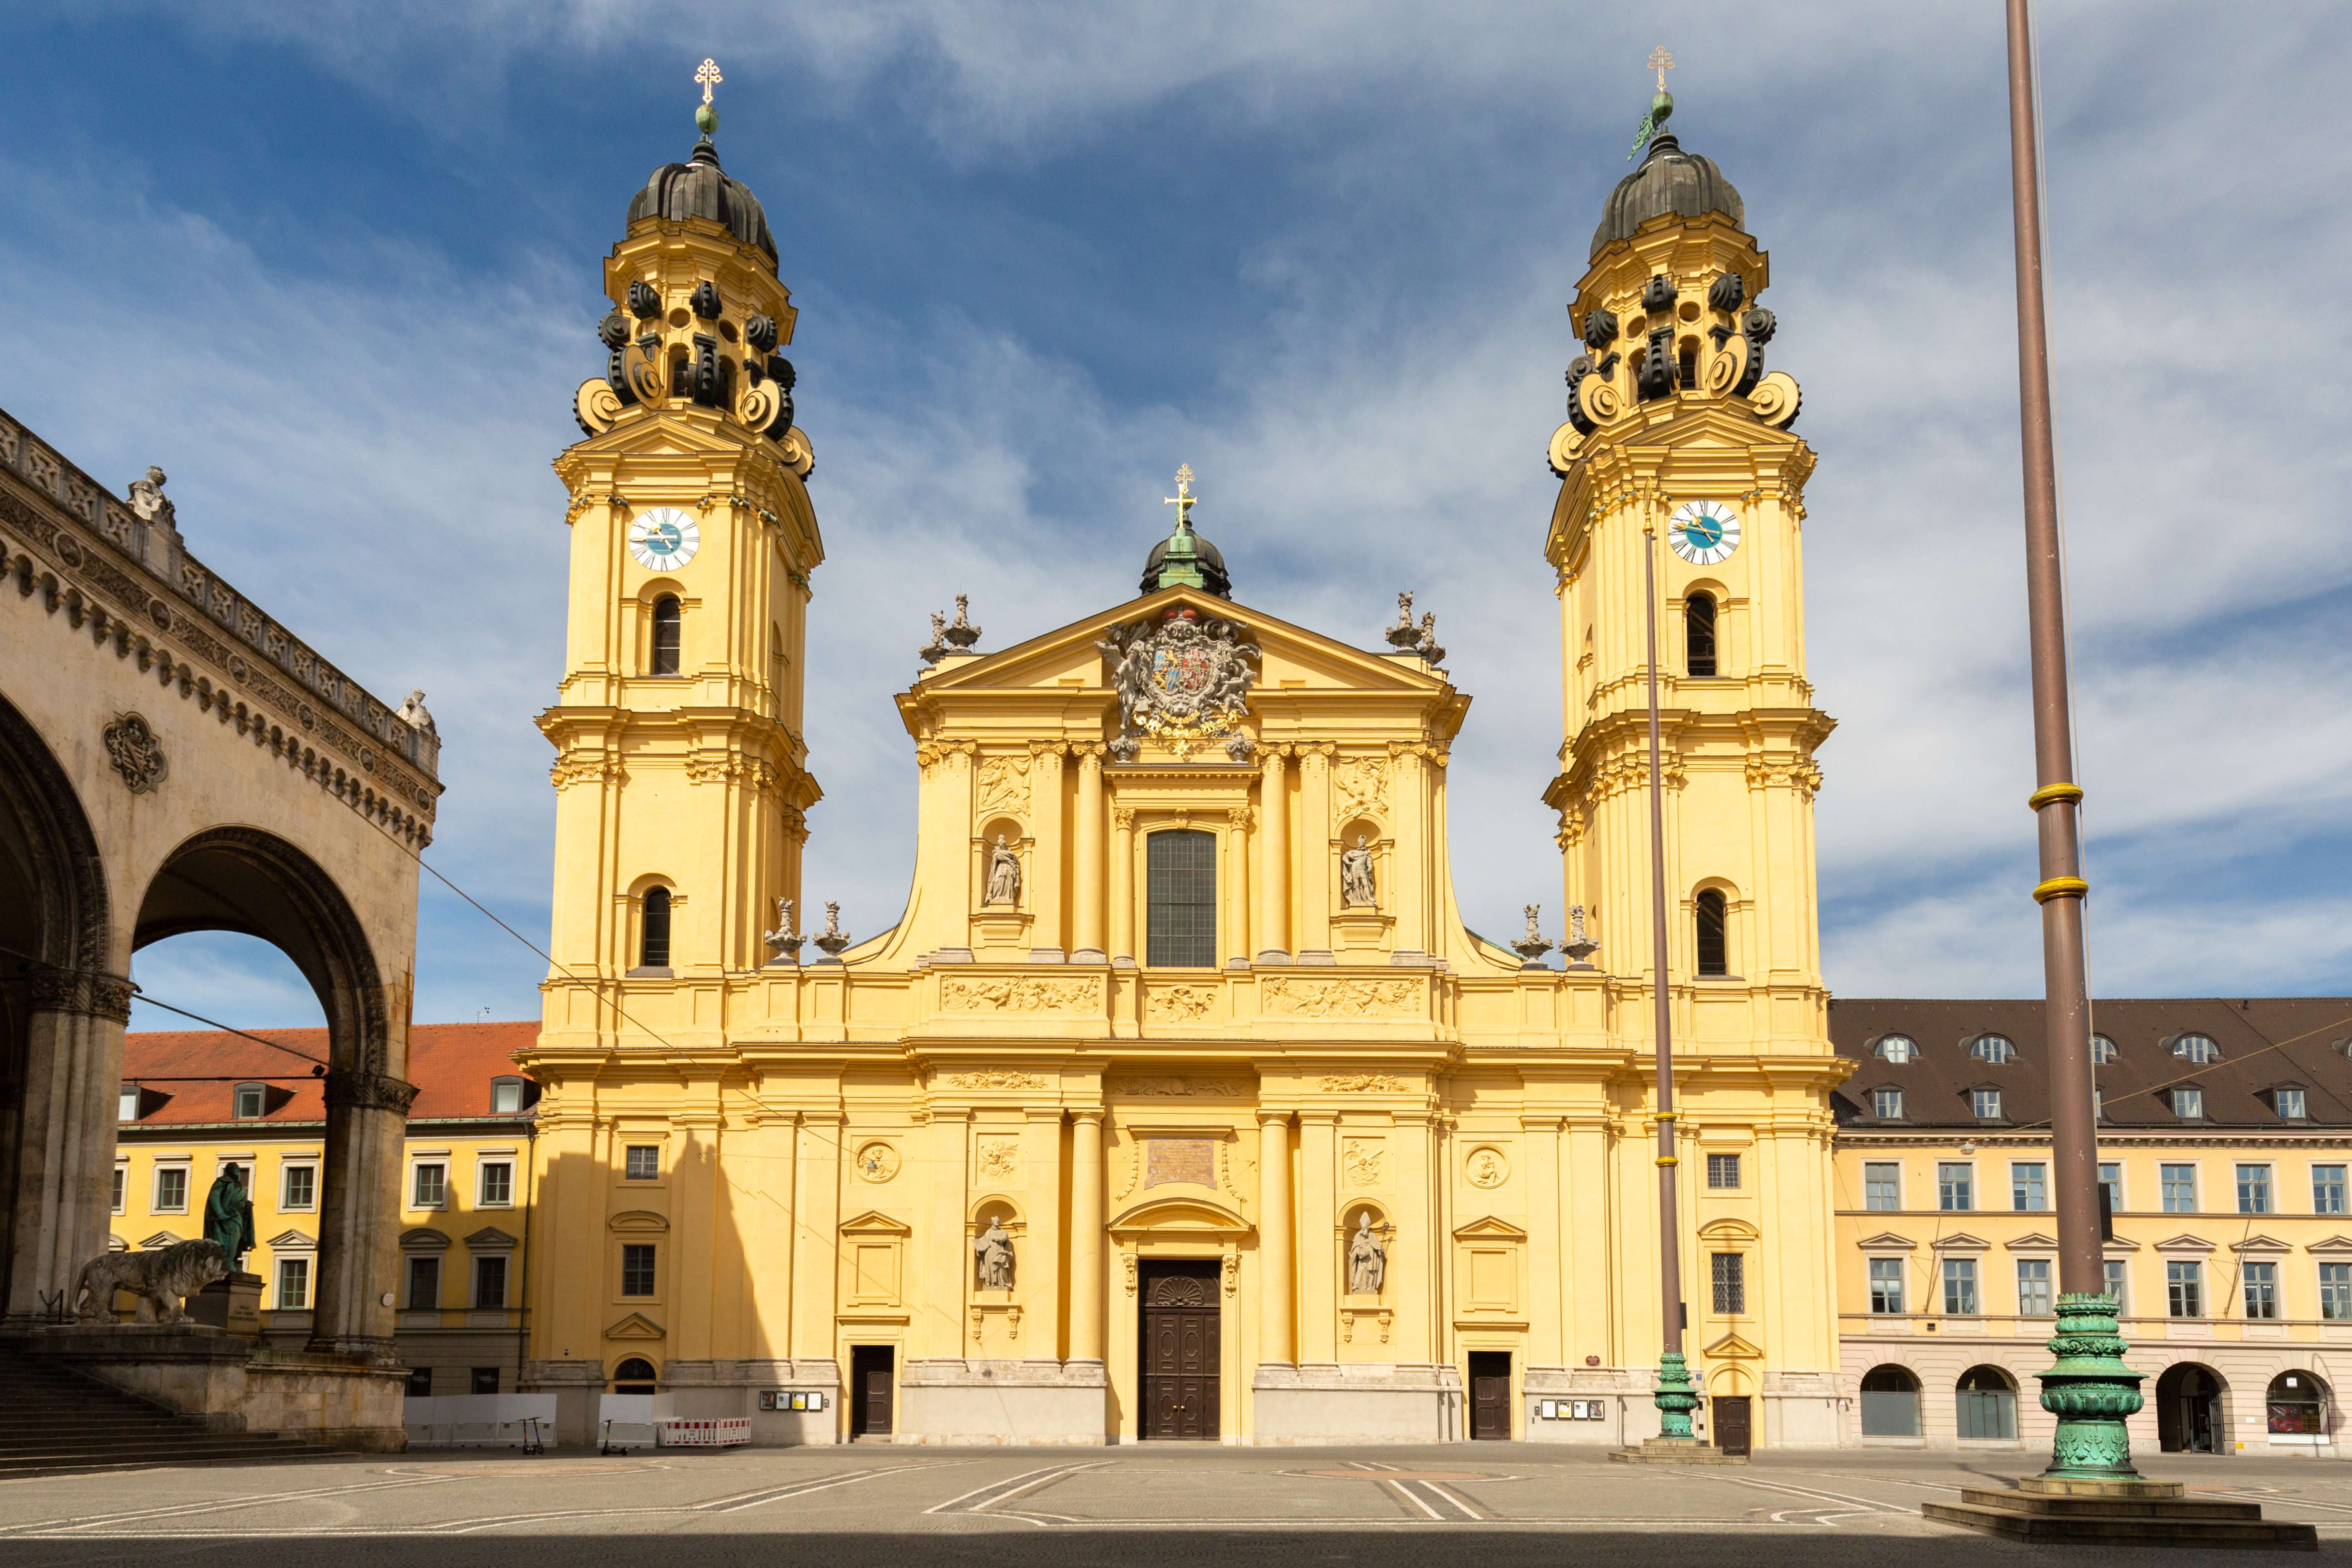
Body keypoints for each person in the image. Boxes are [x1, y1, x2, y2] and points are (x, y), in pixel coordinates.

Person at [203, 1163, 256, 1272]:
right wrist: (221, 1214)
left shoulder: (238, 1184)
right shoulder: (222, 1182)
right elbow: (214, 1197)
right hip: (227, 1216)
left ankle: (230, 1262)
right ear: (229, 1171)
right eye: (236, 1170)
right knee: (232, 1239)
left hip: (237, 1216)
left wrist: (247, 1204)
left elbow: (238, 1199)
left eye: (239, 1170)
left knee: (236, 1240)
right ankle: (228, 1263)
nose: (238, 1172)